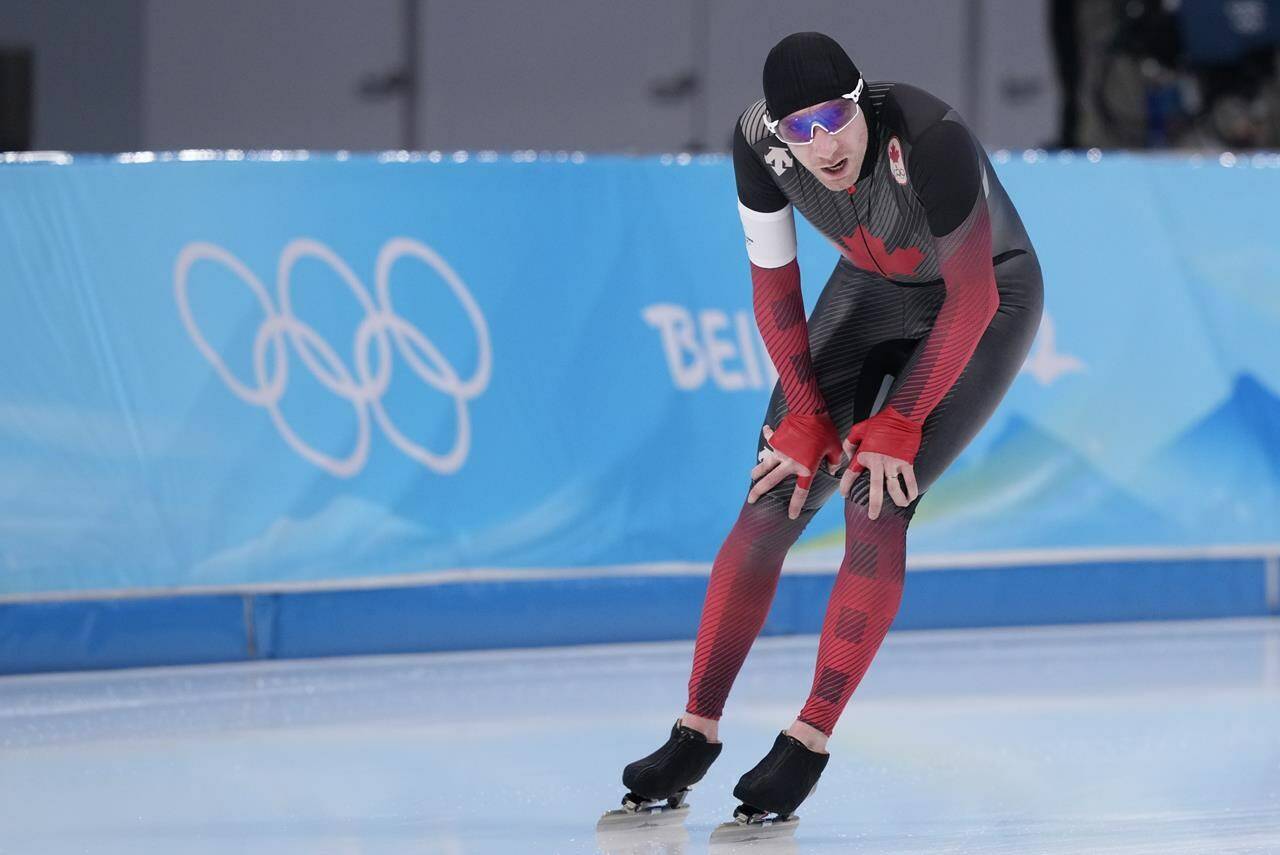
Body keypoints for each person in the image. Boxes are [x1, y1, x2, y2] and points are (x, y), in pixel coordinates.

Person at [618, 31, 1044, 824]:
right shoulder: (757, 142)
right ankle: (695, 728)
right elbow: (774, 287)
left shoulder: (930, 135)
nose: (822, 145)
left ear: (862, 103)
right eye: (800, 130)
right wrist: (805, 410)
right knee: (771, 494)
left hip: (983, 302)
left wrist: (903, 418)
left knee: (872, 498)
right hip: (873, 286)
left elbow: (974, 294)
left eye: (834, 120)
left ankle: (807, 739)